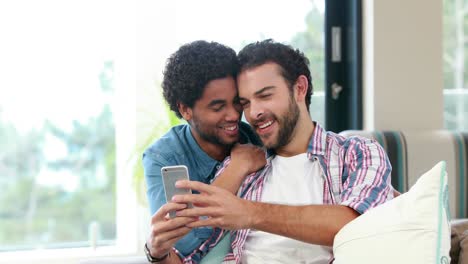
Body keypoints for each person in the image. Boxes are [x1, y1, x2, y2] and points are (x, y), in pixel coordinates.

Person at [173, 39, 396, 263]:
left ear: (300, 88)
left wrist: (248, 213)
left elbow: (356, 225)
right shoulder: (242, 166)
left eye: (265, 96)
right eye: (246, 103)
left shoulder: (358, 153)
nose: (254, 113)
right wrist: (157, 251)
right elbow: (191, 255)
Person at [142, 40, 265, 263]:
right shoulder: (163, 157)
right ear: (185, 109)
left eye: (236, 102)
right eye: (218, 107)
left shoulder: (256, 139)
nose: (233, 115)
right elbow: (184, 242)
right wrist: (236, 169)